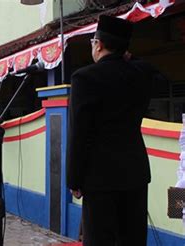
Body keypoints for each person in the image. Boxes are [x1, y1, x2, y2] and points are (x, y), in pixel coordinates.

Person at [67, 15, 156, 245]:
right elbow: (145, 66)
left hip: (100, 178)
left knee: (100, 240)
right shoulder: (141, 74)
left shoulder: (84, 78)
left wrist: (74, 180)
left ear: (99, 44)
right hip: (135, 174)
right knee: (132, 239)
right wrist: (126, 55)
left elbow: (79, 134)